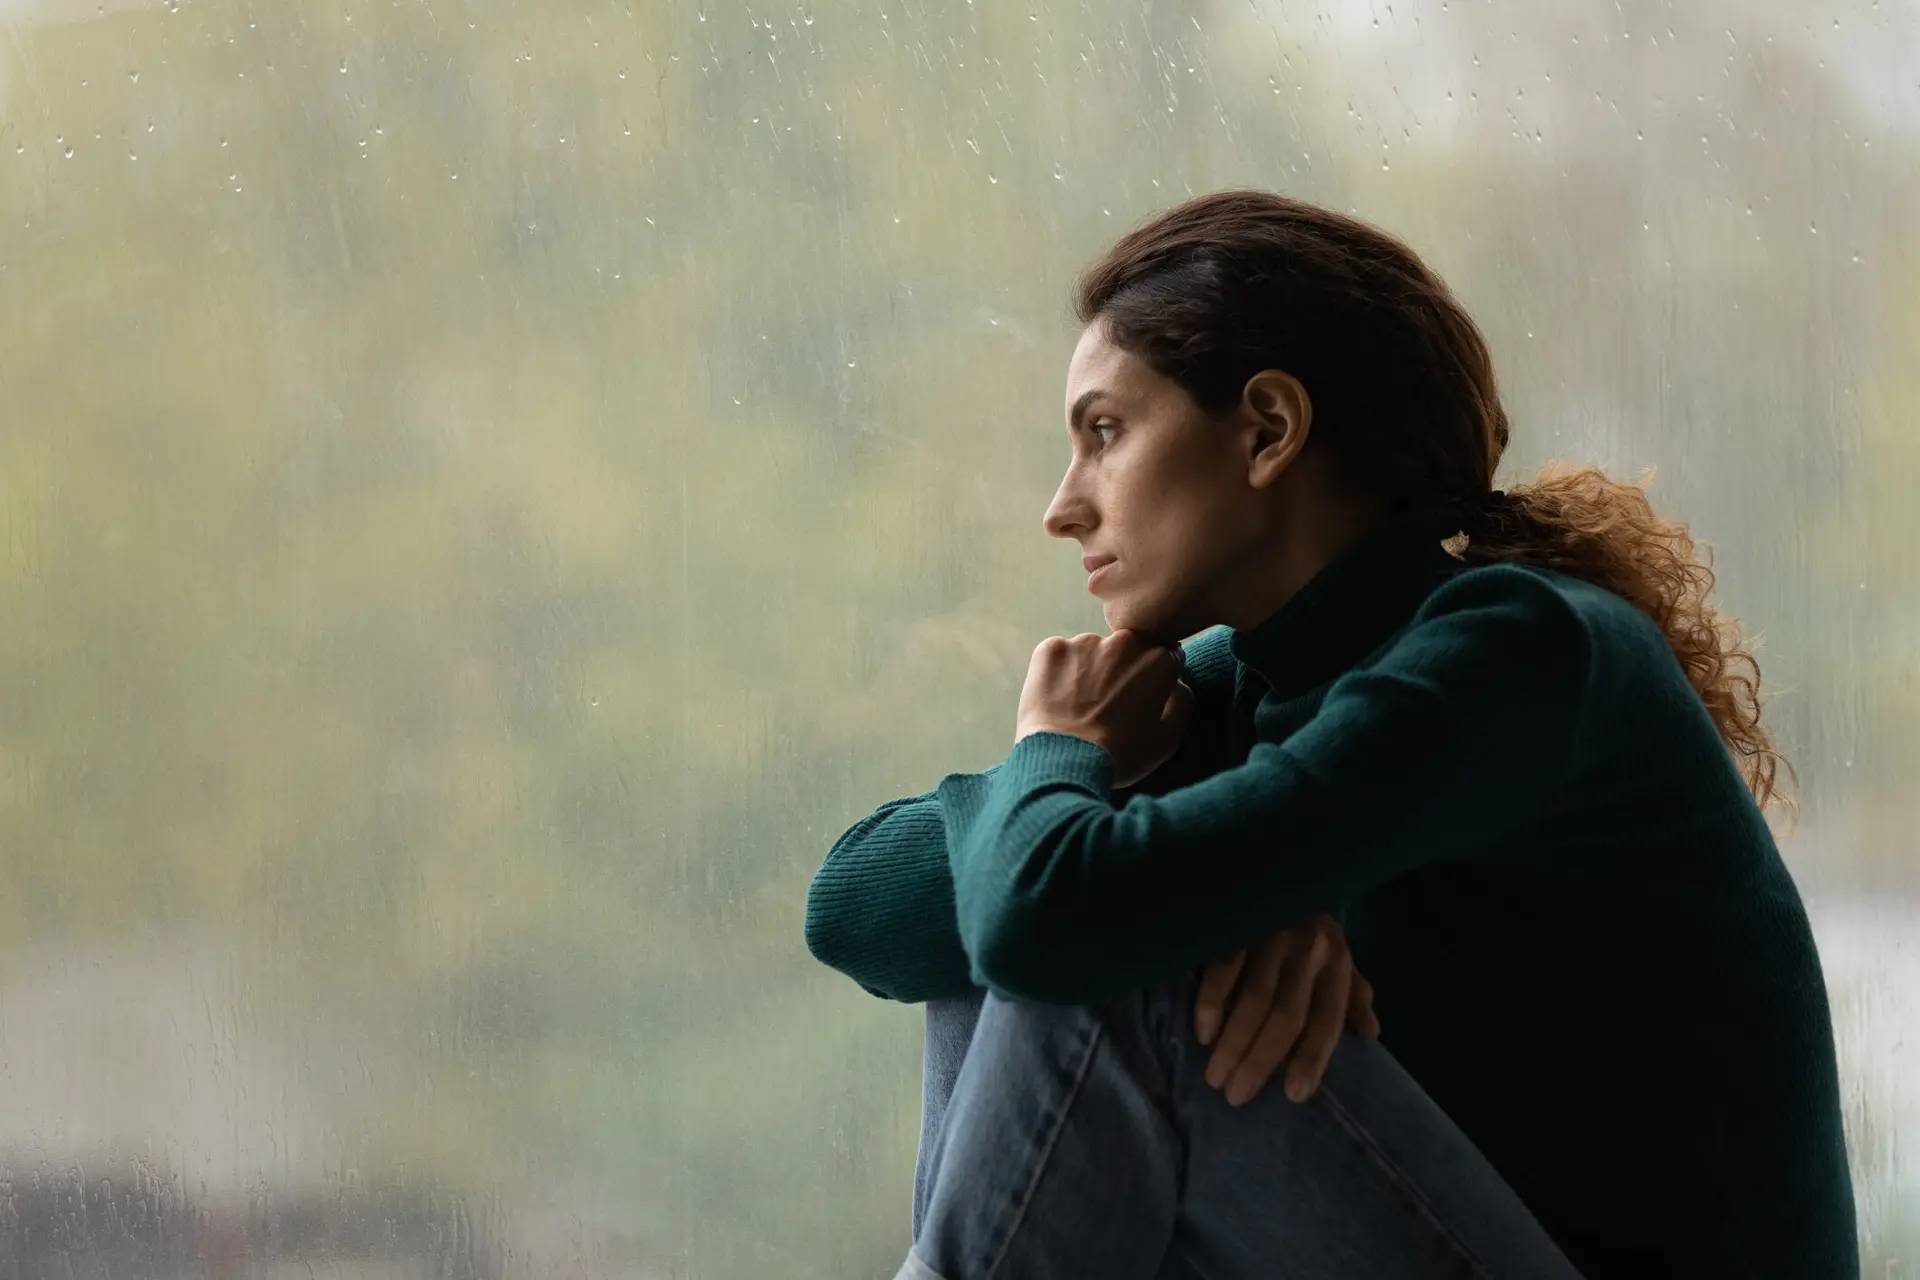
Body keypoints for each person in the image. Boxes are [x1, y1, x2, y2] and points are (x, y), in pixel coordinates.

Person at [804, 189, 1857, 1279]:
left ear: (1267, 429)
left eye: (1105, 433)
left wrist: (1065, 772)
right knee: (1007, 920)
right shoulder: (1241, 682)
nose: (1062, 506)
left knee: (1093, 938)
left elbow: (1053, 923)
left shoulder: (1520, 649)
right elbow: (852, 906)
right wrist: (1118, 797)